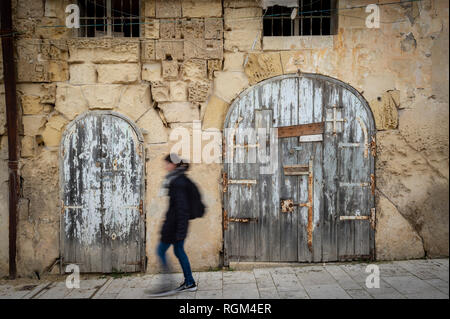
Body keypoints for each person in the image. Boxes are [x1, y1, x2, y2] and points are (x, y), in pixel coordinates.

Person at [153, 153, 197, 294]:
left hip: (175, 226)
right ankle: (189, 282)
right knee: (179, 251)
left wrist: (180, 231)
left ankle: (168, 283)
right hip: (176, 225)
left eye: (167, 163)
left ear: (173, 164)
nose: (165, 166)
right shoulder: (177, 179)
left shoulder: (177, 182)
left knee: (161, 250)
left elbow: (182, 209)